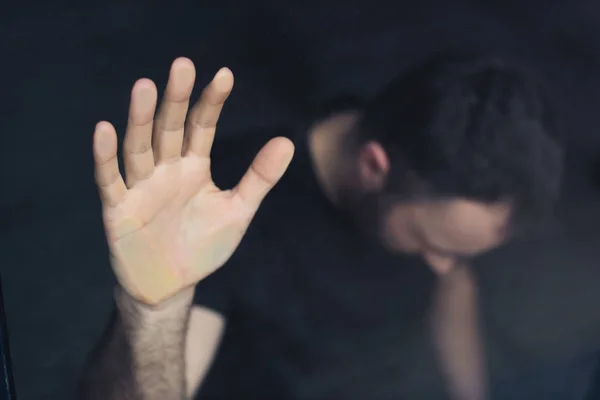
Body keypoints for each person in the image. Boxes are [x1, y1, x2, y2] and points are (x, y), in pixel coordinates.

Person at [78, 52, 565, 400]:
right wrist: (155, 310)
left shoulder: (416, 157)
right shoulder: (225, 209)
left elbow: (455, 283)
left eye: (461, 254)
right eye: (432, 245)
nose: (444, 269)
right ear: (373, 167)